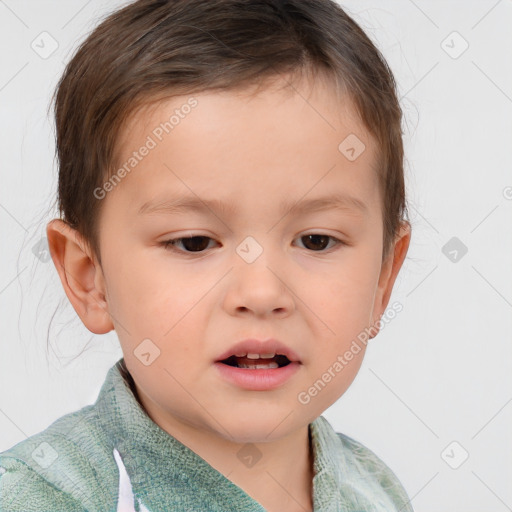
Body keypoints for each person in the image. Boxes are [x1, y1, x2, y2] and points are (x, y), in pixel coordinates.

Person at [0, 0, 414, 510]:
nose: (261, 293)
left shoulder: (375, 489)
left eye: (316, 240)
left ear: (383, 278)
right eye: (194, 242)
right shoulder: (41, 497)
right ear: (91, 278)